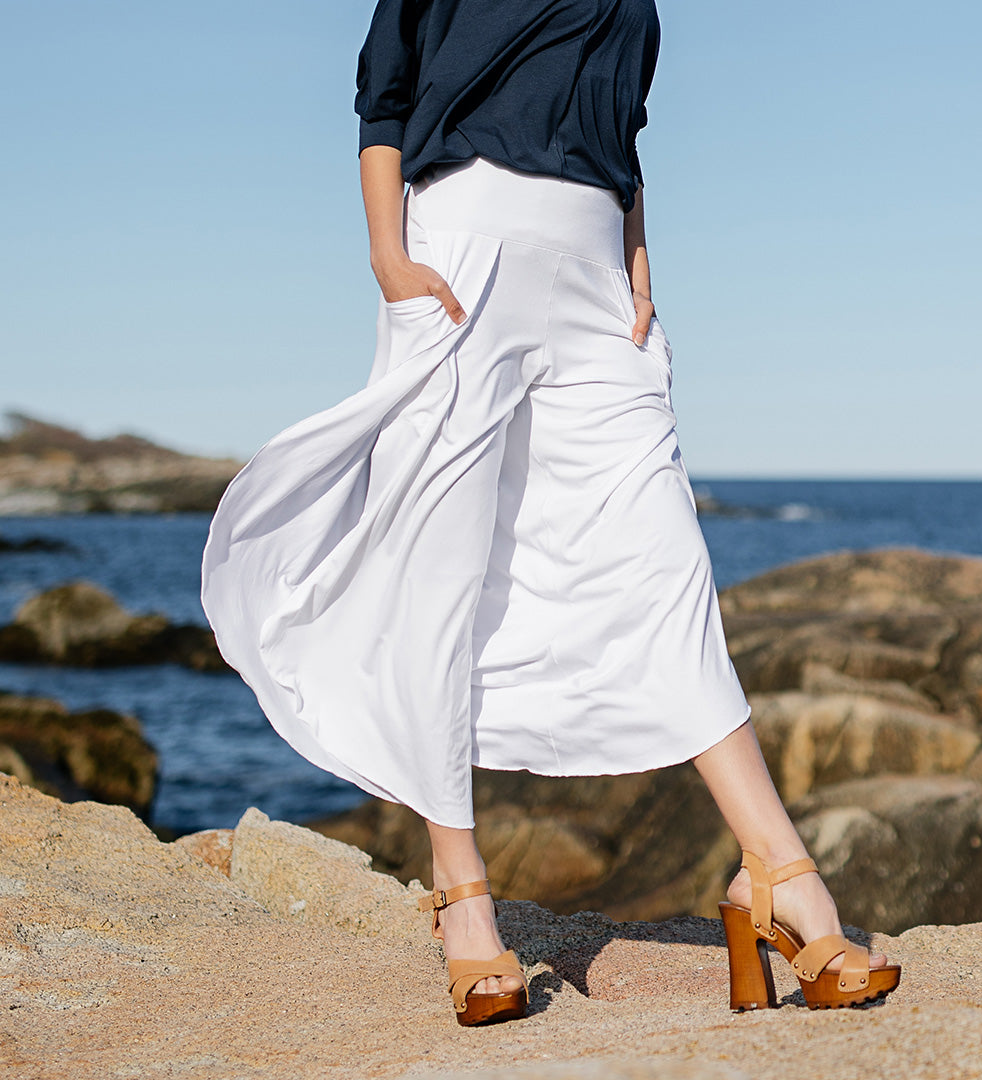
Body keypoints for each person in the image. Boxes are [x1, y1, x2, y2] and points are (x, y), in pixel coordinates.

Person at [201, 0, 900, 1026]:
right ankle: (462, 896)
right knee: (441, 568)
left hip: (598, 282)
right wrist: (388, 258)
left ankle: (776, 873)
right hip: (460, 261)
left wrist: (639, 258)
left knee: (664, 563)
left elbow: (622, 130)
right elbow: (383, 92)